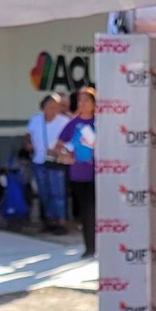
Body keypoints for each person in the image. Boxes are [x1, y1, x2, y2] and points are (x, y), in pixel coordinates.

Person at [52, 87, 98, 256]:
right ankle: (90, 247)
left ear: (94, 104)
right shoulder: (73, 123)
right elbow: (57, 146)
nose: (83, 104)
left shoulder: (100, 122)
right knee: (86, 210)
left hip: (100, 173)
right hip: (79, 173)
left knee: (99, 210)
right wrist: (65, 156)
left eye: (87, 100)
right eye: (80, 100)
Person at [26, 91, 69, 232]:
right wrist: (28, 144)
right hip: (39, 160)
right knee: (44, 192)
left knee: (58, 192)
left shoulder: (64, 121)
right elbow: (27, 135)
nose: (53, 109)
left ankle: (61, 222)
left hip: (56, 161)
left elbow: (70, 141)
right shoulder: (35, 120)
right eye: (50, 106)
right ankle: (49, 221)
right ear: (43, 106)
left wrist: (59, 150)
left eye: (56, 106)